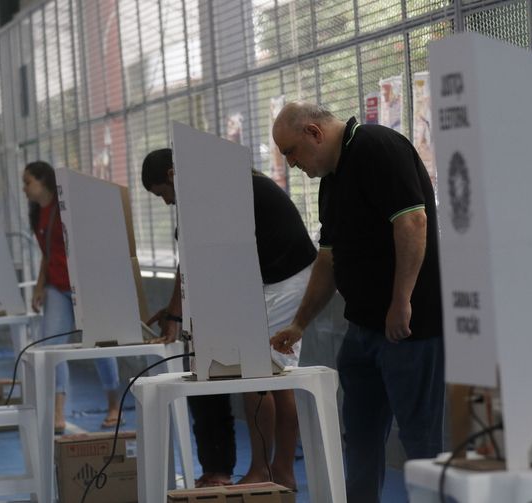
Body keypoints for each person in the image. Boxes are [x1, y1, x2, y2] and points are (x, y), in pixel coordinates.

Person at [270, 102, 445, 503]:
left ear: (314, 133)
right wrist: (300, 323)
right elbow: (329, 259)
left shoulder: (376, 146)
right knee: (360, 438)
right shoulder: (332, 182)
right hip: (363, 330)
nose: (291, 164)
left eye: (291, 151)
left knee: (420, 443)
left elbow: (412, 221)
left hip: (409, 330)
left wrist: (402, 301)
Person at [142, 148, 316, 489]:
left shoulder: (208, 190)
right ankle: (280, 471)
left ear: (172, 175)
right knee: (277, 377)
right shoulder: (225, 182)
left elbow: (189, 261)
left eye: (162, 194)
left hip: (284, 279)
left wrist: (176, 315)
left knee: (255, 375)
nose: (166, 204)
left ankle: (264, 470)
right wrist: (178, 310)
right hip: (286, 275)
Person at [22, 161, 123, 434]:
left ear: (44, 181)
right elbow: (46, 255)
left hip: (84, 285)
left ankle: (114, 404)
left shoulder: (66, 206)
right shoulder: (37, 214)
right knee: (53, 348)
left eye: (27, 182)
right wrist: (39, 287)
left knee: (99, 345)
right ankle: (57, 413)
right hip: (56, 287)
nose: (24, 189)